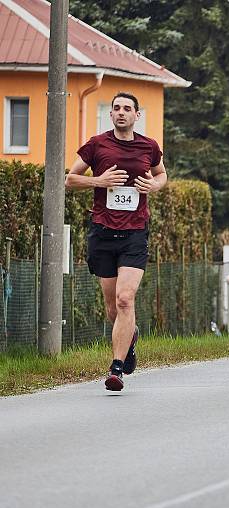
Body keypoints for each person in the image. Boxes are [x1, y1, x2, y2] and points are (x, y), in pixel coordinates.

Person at [65, 92, 167, 391]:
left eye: (127, 109)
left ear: (137, 114)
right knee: (112, 307)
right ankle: (130, 337)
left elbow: (161, 175)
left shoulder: (149, 146)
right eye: (116, 108)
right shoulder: (97, 144)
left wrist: (155, 186)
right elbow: (71, 179)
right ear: (111, 114)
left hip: (135, 233)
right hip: (102, 232)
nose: (121, 113)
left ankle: (117, 368)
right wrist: (99, 181)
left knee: (125, 299)